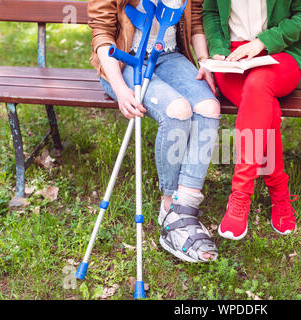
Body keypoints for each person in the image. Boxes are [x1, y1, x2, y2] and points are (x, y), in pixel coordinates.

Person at [88, 0, 220, 262]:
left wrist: (204, 61)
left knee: (208, 107)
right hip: (122, 61)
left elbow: (195, 22)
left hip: (170, 57)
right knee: (177, 111)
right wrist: (120, 88)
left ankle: (184, 208)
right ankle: (169, 205)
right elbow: (102, 33)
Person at [203, 0, 301, 240]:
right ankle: (279, 193)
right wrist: (217, 49)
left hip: (280, 53)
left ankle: (240, 195)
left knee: (257, 87)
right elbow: (212, 13)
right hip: (232, 59)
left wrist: (262, 42)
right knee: (264, 109)